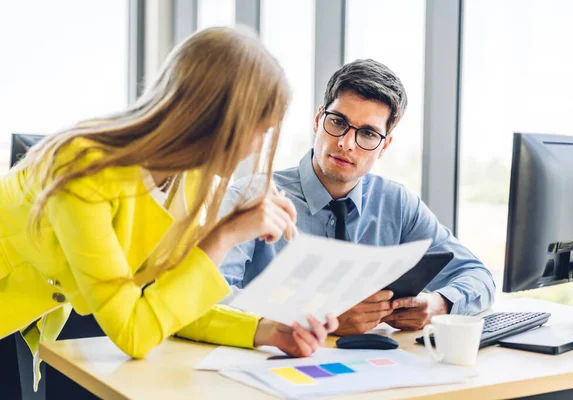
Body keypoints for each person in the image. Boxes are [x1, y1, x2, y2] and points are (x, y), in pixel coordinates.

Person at [0, 26, 338, 394]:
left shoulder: (185, 180)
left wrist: (264, 331)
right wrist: (223, 235)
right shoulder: (84, 170)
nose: (255, 149)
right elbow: (135, 334)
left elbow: (164, 305)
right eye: (256, 131)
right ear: (214, 119)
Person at [219, 59, 495, 336]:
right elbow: (209, 299)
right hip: (272, 367)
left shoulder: (397, 204)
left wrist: (439, 304)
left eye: (367, 133)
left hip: (375, 370)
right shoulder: (252, 198)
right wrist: (313, 318)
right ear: (318, 120)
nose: (346, 143)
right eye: (338, 122)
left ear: (384, 146)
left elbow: (478, 276)